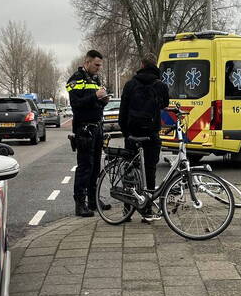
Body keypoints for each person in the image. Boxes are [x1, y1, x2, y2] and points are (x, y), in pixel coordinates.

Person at [118, 54, 170, 222]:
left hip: (132, 135)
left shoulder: (130, 84)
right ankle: (147, 211)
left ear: (141, 65)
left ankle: (127, 210)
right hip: (151, 135)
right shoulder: (160, 85)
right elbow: (164, 104)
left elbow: (122, 113)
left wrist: (127, 133)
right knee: (150, 171)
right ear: (154, 66)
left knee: (129, 171)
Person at [66, 50, 111, 217]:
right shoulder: (75, 79)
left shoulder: (95, 79)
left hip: (97, 127)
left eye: (100, 65)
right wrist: (95, 95)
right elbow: (76, 104)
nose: (99, 68)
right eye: (96, 65)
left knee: (95, 167)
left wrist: (103, 101)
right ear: (87, 62)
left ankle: (93, 200)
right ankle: (80, 204)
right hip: (84, 128)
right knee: (85, 166)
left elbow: (96, 104)